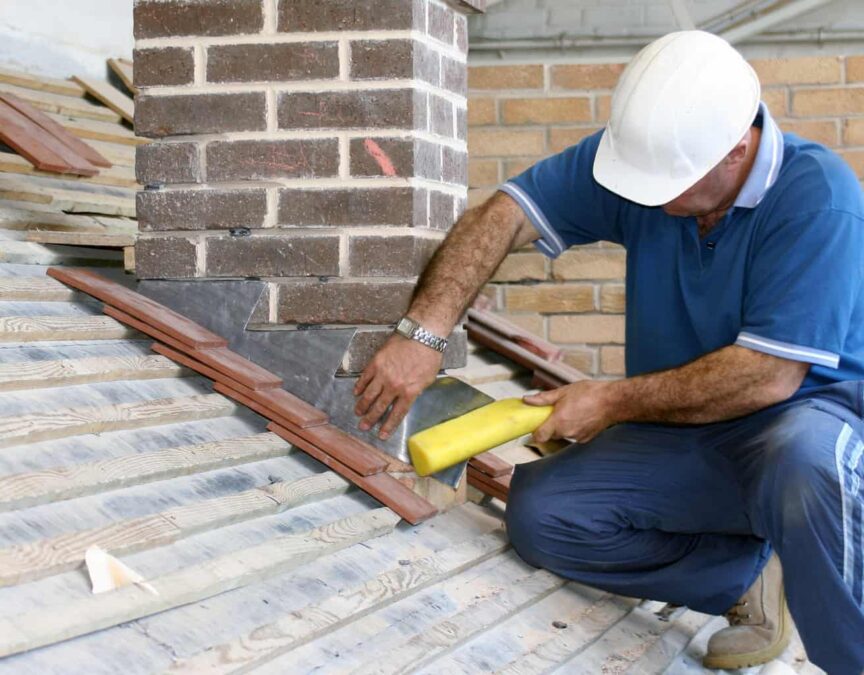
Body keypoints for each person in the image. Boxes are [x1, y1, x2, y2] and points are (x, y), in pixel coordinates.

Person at [353, 30, 864, 674]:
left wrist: (610, 401)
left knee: (806, 466)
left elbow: (767, 377)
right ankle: (742, 577)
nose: (648, 200)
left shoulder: (819, 198)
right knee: (545, 515)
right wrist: (423, 333)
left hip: (805, 423)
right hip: (687, 427)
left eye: (669, 186)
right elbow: (504, 214)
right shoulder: (644, 165)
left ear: (737, 151)